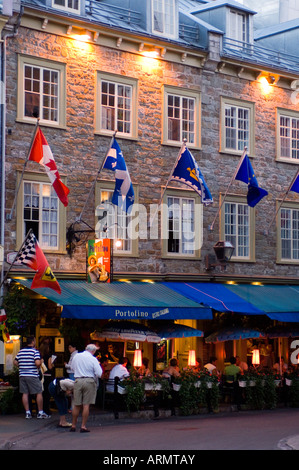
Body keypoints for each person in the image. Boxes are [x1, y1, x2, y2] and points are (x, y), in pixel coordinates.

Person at [14, 336, 50, 419]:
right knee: (39, 392)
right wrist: (41, 362)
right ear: (33, 342)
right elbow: (37, 363)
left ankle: (27, 412)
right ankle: (40, 412)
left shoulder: (21, 351)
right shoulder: (35, 351)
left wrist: (21, 367)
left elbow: (15, 362)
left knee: (25, 393)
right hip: (32, 375)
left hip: (22, 375)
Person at [70, 344, 103, 433]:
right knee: (86, 405)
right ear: (93, 351)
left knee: (76, 405)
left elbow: (72, 368)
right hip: (89, 381)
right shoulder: (93, 359)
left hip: (78, 380)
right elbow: (99, 373)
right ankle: (83, 426)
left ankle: (73, 425)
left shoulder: (76, 356)